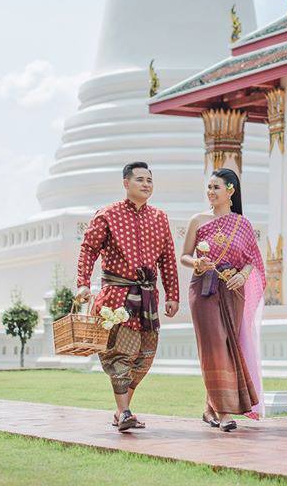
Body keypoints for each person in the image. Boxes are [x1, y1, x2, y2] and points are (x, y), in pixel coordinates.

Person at [75, 161, 179, 432]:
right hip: (117, 298)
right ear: (126, 183)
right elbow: (88, 250)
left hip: (148, 298)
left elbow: (168, 258)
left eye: (149, 180)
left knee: (144, 357)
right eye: (140, 179)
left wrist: (172, 295)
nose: (146, 184)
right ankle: (124, 412)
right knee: (121, 355)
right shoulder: (107, 214)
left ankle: (121, 411)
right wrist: (82, 284)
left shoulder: (160, 217)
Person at [180, 168, 266, 432]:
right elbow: (184, 256)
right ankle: (225, 412)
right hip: (204, 289)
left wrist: (242, 275)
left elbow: (252, 259)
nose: (210, 192)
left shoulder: (243, 224)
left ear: (231, 191)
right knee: (214, 347)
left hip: (233, 290)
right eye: (208, 187)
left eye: (216, 187)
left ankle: (210, 409)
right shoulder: (198, 220)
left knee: (229, 346)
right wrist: (197, 262)